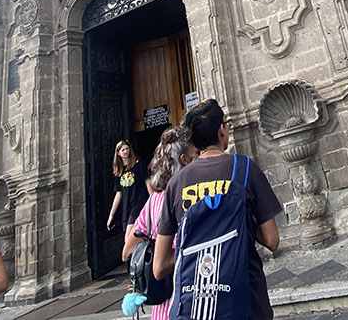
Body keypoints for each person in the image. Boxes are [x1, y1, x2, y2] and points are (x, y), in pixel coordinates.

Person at [154, 98, 282, 320]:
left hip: (196, 305)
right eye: (226, 123)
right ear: (221, 130)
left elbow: (160, 266)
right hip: (247, 302)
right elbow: (271, 240)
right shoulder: (245, 169)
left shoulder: (177, 183)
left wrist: (198, 243)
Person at [121, 127, 197, 320]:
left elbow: (127, 251)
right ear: (184, 159)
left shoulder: (154, 201)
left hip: (163, 309)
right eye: (197, 153)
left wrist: (151, 242)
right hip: (193, 300)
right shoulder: (195, 197)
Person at [107, 140, 149, 243]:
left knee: (128, 238)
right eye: (123, 150)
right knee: (132, 236)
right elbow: (118, 193)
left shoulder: (138, 163)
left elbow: (147, 181)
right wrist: (111, 215)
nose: (125, 152)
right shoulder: (119, 171)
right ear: (118, 153)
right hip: (126, 206)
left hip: (138, 202)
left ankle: (129, 257)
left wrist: (152, 198)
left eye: (127, 149)